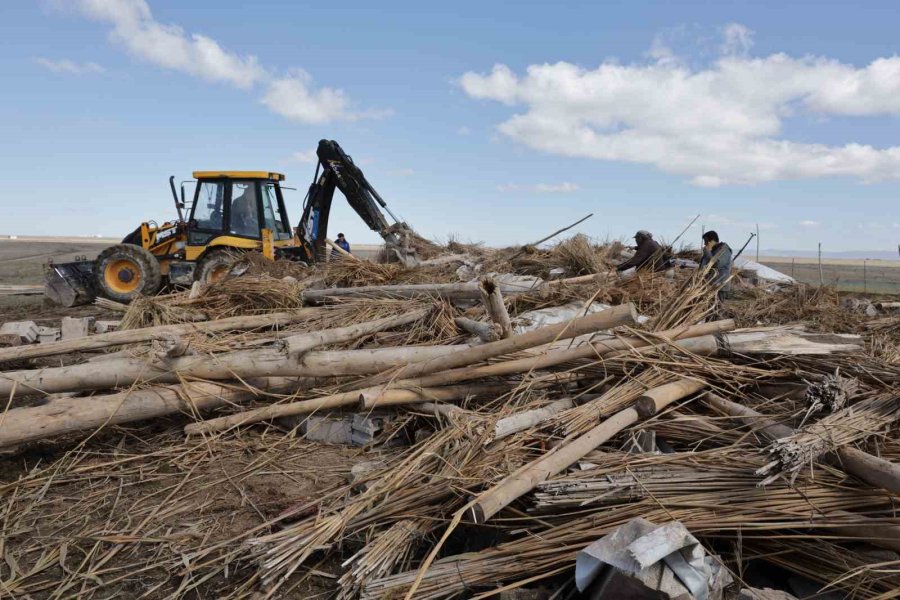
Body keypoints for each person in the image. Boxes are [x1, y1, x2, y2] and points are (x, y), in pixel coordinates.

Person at [698, 230, 733, 299]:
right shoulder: (714, 251)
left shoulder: (724, 250)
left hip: (719, 286)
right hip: (712, 284)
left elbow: (717, 264)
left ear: (712, 241)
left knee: (717, 308)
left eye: (706, 241)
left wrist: (707, 252)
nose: (705, 244)